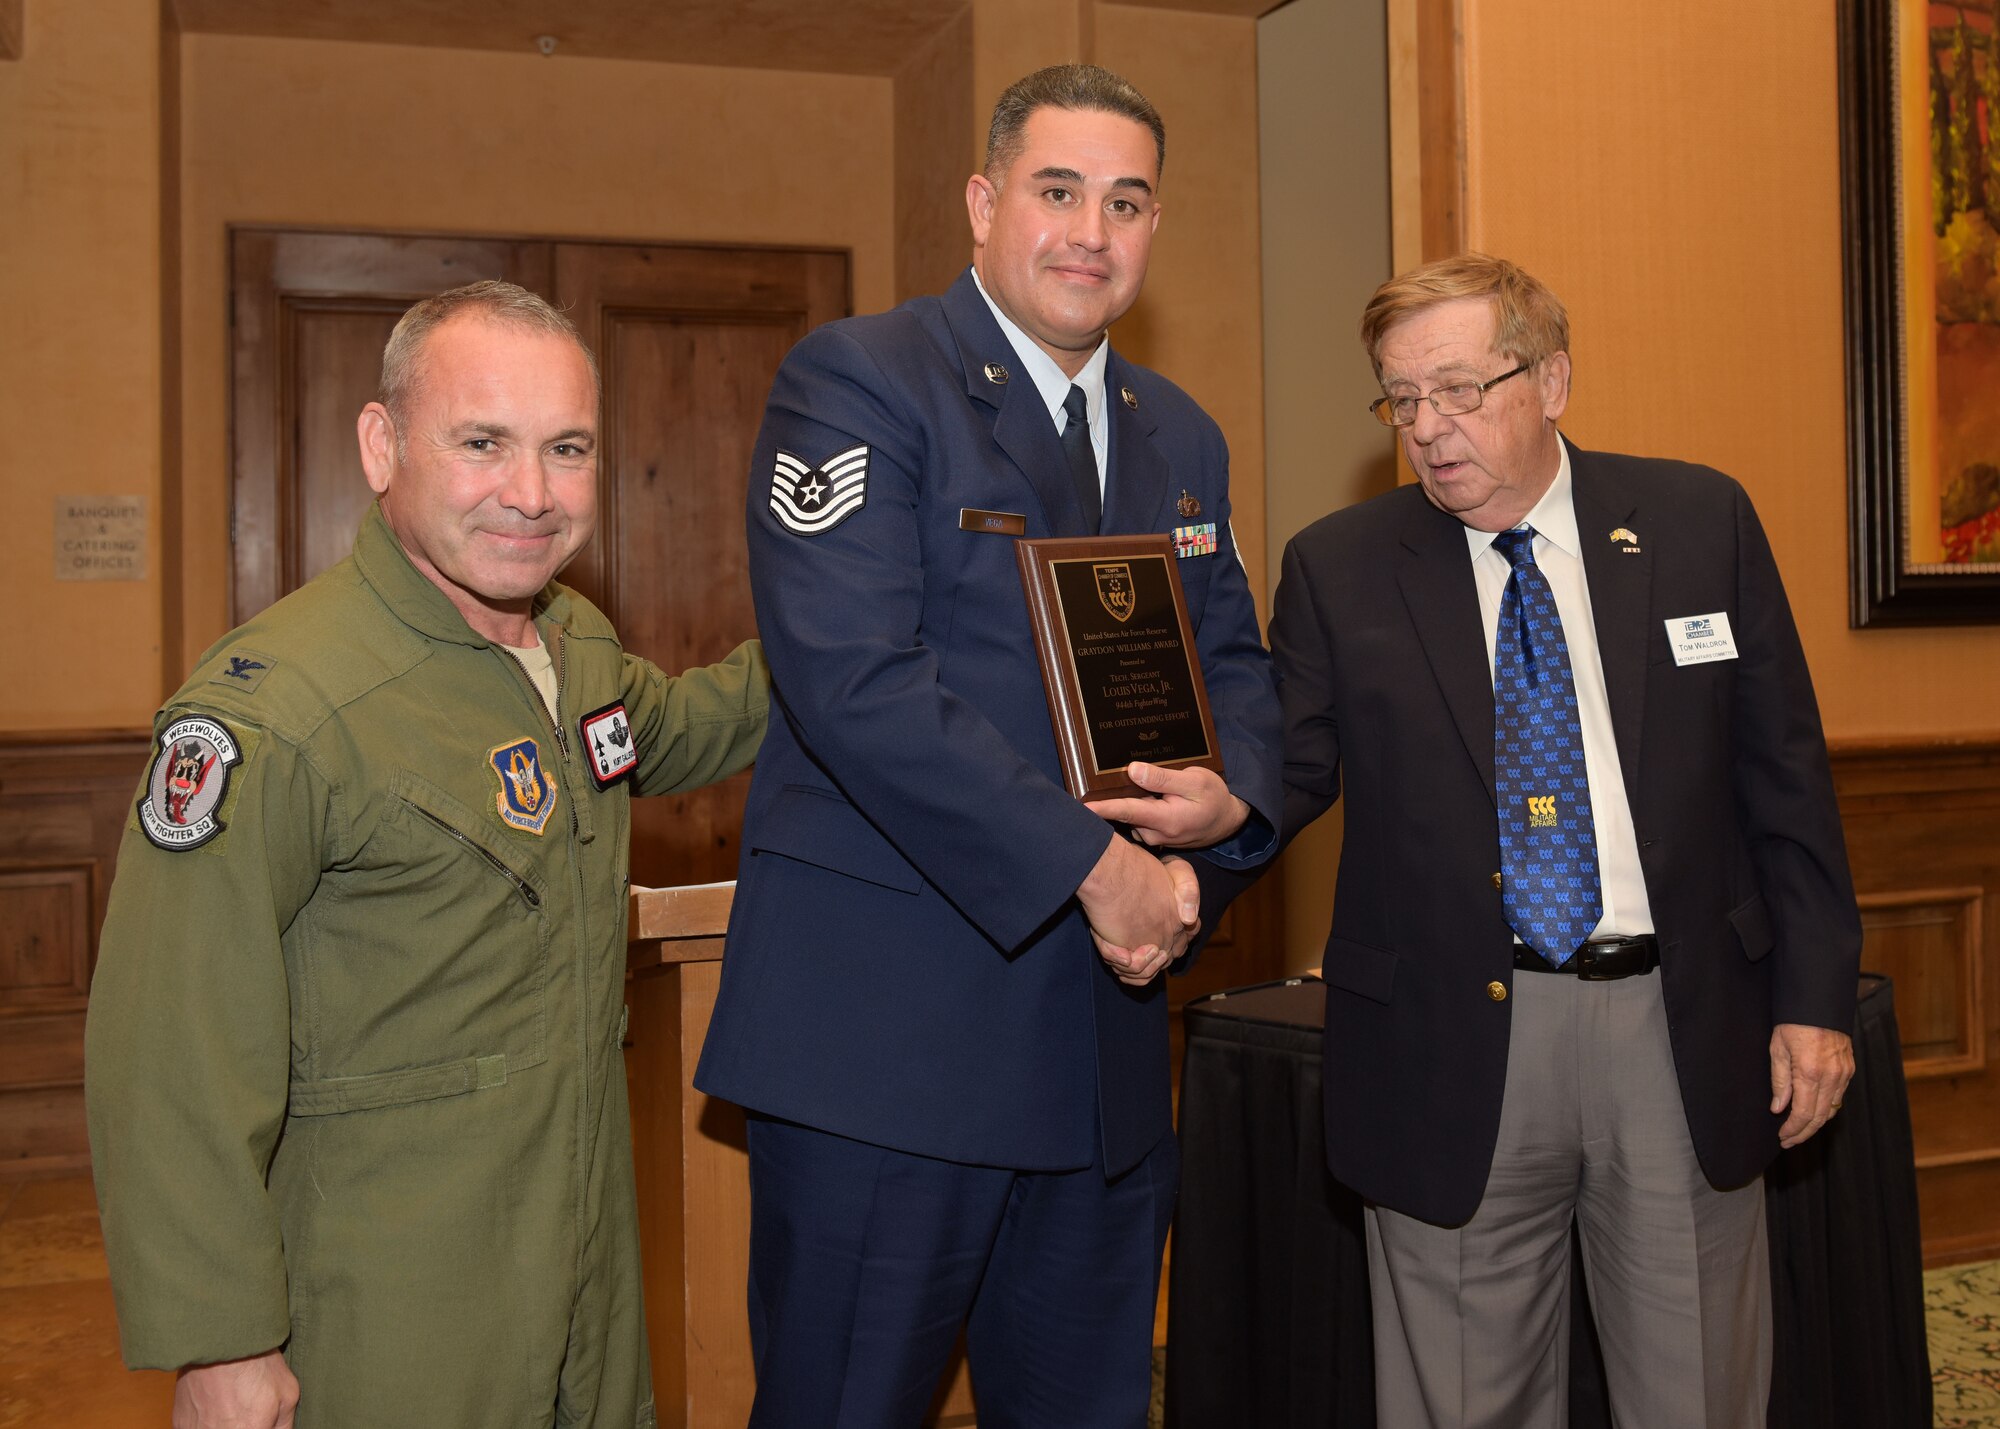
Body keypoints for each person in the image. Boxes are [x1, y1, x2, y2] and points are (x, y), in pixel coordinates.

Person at [693, 64, 1281, 1426]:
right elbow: (857, 686)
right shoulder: (860, 382)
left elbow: (1237, 674)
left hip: (1105, 1066)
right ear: (982, 201)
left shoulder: (1176, 433)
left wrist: (1211, 841)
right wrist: (1097, 869)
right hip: (889, 1061)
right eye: (1057, 190)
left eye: (1126, 202)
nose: (1092, 230)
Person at [85, 281, 770, 1429]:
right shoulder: (277, 713)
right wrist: (220, 1341)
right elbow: (171, 1051)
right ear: (381, 444)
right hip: (388, 1301)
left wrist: (855, 642)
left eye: (567, 448)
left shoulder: (574, 644)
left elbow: (682, 726)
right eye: (482, 443)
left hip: (585, 1265)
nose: (532, 494)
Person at [1228, 252, 1860, 1425]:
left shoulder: (1694, 520)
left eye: (1461, 389)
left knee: (1697, 1396)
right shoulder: (1341, 566)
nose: (1427, 427)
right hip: (1446, 1040)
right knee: (1462, 1402)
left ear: (1552, 379)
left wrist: (1813, 996)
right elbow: (1279, 775)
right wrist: (1173, 847)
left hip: (1675, 1027)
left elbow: (1783, 779)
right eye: (1400, 398)